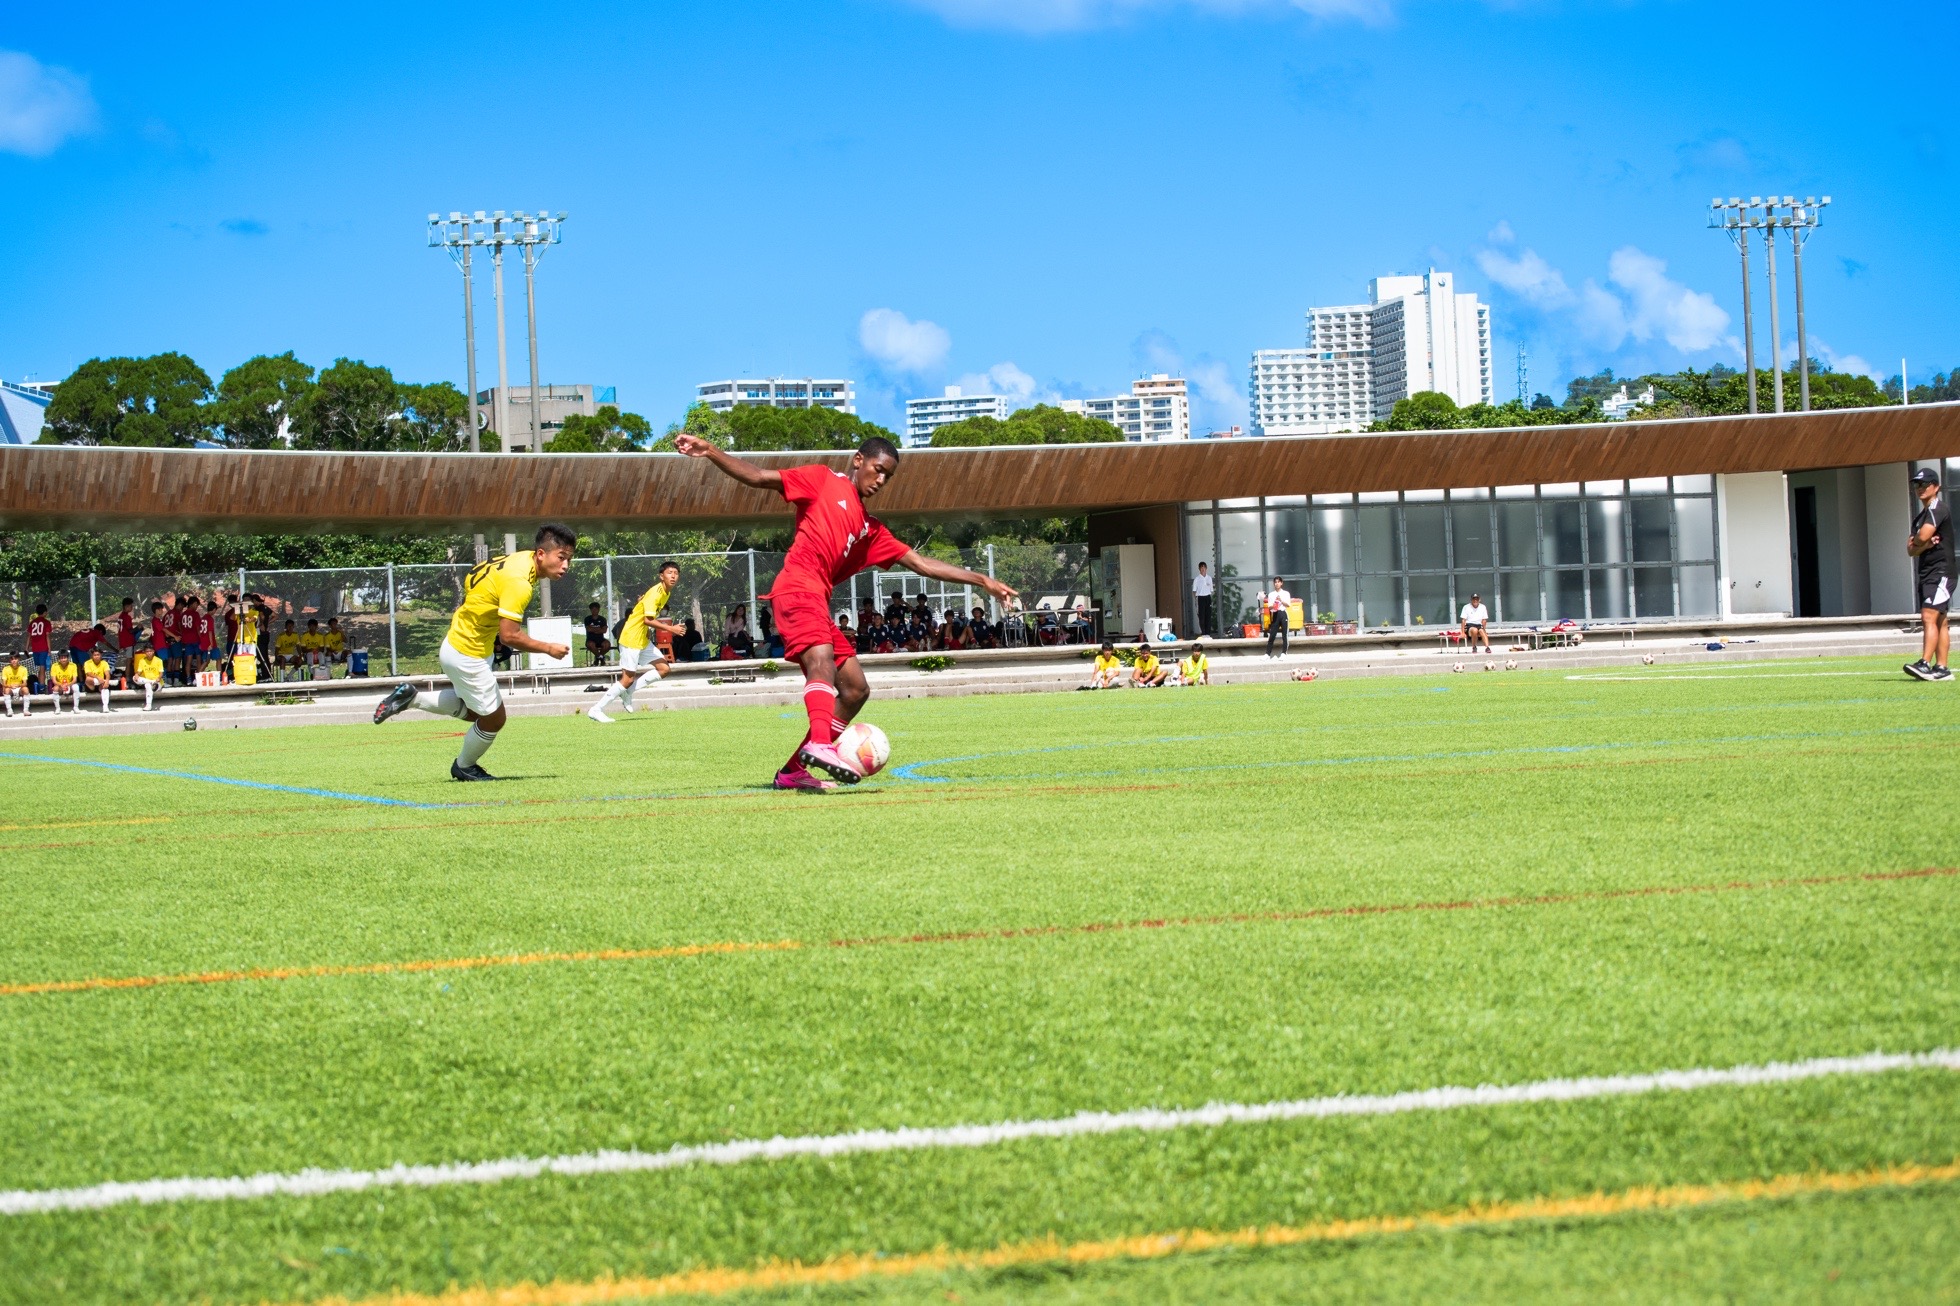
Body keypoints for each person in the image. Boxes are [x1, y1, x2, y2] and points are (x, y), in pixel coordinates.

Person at [675, 432, 1016, 789]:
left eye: (888, 476)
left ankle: (793, 772)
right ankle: (822, 745)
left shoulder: (871, 529)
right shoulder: (822, 480)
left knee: (855, 689)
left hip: (816, 600)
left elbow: (921, 563)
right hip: (796, 587)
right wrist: (711, 451)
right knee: (821, 660)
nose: (881, 480)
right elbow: (760, 476)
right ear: (858, 460)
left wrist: (982, 580)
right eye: (878, 469)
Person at [372, 524, 577, 781]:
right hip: (468, 653)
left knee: (476, 712)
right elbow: (510, 636)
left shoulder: (517, 559)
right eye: (561, 557)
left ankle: (411, 698)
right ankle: (464, 766)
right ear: (541, 554)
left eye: (569, 559)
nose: (566, 565)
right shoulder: (519, 583)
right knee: (494, 719)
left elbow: (473, 576)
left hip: (460, 643)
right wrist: (548, 648)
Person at [590, 560, 685, 724]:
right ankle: (596, 709)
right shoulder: (656, 593)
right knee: (627, 679)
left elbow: (644, 612)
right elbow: (648, 620)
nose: (673, 576)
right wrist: (671, 629)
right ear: (661, 576)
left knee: (664, 669)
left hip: (642, 639)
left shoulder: (665, 592)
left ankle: (628, 692)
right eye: (669, 573)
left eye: (676, 573)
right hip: (631, 638)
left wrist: (646, 629)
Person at [1906, 466, 1954, 681]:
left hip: (1941, 572)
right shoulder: (1921, 516)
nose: (1920, 488)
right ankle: (1942, 669)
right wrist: (1923, 545)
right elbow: (1911, 550)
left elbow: (1922, 536)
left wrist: (1920, 542)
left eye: (1925, 484)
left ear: (1936, 487)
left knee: (1928, 615)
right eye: (1917, 484)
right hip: (1928, 573)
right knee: (1940, 620)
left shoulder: (1938, 508)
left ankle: (1924, 663)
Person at [1263, 577, 1294, 658]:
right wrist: (1273, 605)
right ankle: (1267, 654)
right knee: (1272, 634)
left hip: (1283, 613)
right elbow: (1269, 607)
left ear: (1281, 583)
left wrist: (1281, 600)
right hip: (1275, 614)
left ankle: (1284, 652)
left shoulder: (1286, 593)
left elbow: (1288, 605)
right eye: (1275, 582)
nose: (1277, 584)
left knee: (1285, 634)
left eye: (1278, 582)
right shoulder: (1271, 594)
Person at [132, 641, 166, 711]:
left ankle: (148, 705)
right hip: (147, 680)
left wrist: (158, 679)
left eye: (150, 651)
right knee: (134, 678)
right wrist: (136, 675)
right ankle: (150, 682)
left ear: (153, 651)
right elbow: (139, 672)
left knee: (147, 685)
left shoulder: (159, 660)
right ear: (144, 652)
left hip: (157, 682)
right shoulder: (142, 660)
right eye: (147, 651)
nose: (149, 653)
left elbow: (161, 673)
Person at [25, 603, 52, 691]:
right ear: (45, 612)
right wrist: (49, 649)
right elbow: (47, 636)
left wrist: (26, 647)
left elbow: (29, 636)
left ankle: (40, 684)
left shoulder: (32, 622)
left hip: (35, 648)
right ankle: (41, 687)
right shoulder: (46, 622)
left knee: (40, 667)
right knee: (43, 667)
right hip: (43, 647)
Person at [82, 646, 115, 712]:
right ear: (92, 656)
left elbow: (107, 674)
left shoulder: (104, 663)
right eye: (95, 655)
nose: (96, 656)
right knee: (88, 679)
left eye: (98, 655)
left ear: (101, 655)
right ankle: (106, 682)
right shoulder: (87, 663)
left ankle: (105, 706)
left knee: (105, 688)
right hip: (91, 685)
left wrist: (107, 681)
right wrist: (98, 677)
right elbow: (88, 673)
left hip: (101, 684)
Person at [47, 649, 80, 714]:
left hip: (70, 685)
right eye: (61, 658)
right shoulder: (54, 666)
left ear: (68, 658)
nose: (63, 660)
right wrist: (61, 685)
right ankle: (57, 708)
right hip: (60, 686)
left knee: (76, 687)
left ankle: (76, 707)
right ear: (59, 659)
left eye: (65, 657)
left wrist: (68, 684)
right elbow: (54, 680)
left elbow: (75, 680)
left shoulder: (73, 665)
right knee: (55, 688)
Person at [115, 597, 137, 677]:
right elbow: (130, 630)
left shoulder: (121, 616)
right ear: (126, 606)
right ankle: (127, 678)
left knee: (129, 659)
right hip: (128, 641)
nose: (132, 608)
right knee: (129, 660)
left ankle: (129, 676)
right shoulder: (127, 617)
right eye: (131, 606)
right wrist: (138, 628)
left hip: (123, 641)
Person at [2, 653, 29, 717]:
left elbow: (25, 683)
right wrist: (10, 686)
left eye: (15, 659)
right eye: (12, 659)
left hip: (19, 688)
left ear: (18, 659)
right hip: (10, 688)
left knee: (26, 689)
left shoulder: (23, 669)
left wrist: (19, 685)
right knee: (6, 690)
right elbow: (4, 684)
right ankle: (9, 710)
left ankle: (26, 710)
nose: (14, 661)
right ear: (10, 660)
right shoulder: (5, 669)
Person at [1192, 561, 1215, 637]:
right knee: (1202, 616)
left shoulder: (1209, 578)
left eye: (1204, 567)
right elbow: (1194, 591)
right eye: (1201, 568)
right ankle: (1203, 633)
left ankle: (1208, 633)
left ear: (1206, 568)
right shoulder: (1197, 579)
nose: (1203, 569)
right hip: (1200, 598)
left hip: (1207, 597)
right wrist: (1196, 599)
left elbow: (1211, 590)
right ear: (1199, 569)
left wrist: (1210, 598)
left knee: (1208, 615)